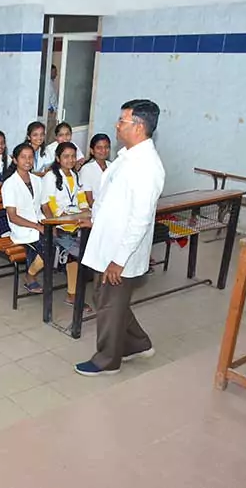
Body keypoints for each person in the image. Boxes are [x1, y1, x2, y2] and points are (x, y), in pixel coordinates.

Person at [75, 99, 165, 377]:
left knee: (110, 301)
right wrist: (94, 218)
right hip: (108, 242)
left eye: (122, 121)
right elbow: (112, 199)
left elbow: (140, 219)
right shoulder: (128, 157)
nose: (117, 125)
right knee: (108, 298)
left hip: (120, 251)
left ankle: (107, 359)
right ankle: (138, 343)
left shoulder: (147, 166)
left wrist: (119, 260)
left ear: (138, 126)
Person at [41, 142, 92, 311]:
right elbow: (49, 204)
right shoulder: (51, 176)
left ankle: (72, 292)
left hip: (74, 220)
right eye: (66, 156)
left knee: (78, 249)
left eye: (73, 156)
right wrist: (58, 222)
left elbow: (81, 197)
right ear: (58, 158)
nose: (70, 160)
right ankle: (72, 294)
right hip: (59, 222)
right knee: (73, 250)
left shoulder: (75, 175)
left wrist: (85, 210)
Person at [1, 143, 45, 293]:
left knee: (63, 243)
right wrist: (37, 226)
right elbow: (13, 217)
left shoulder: (38, 180)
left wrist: (52, 223)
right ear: (15, 160)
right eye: (23, 157)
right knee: (49, 247)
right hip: (22, 228)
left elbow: (44, 206)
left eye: (31, 157)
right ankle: (30, 275)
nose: (27, 161)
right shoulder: (10, 184)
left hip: (40, 223)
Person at [80, 134, 111, 205]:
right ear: (92, 150)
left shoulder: (112, 166)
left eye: (106, 147)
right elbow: (89, 200)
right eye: (99, 148)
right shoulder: (87, 169)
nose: (103, 150)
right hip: (95, 210)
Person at [46, 64, 59, 139]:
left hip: (53, 111)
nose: (56, 74)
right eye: (54, 72)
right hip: (49, 111)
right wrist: (49, 107)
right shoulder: (47, 83)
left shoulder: (51, 82)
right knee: (48, 131)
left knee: (51, 132)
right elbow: (45, 96)